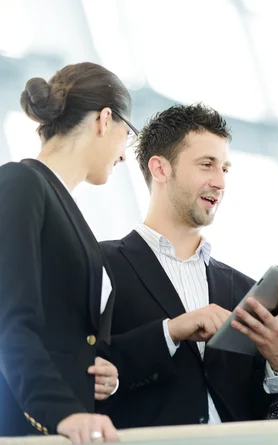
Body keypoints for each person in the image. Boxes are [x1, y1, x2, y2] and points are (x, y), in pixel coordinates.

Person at [99, 103, 278, 428]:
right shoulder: (101, 265)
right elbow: (80, 369)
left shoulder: (247, 291)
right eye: (206, 165)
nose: (220, 181)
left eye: (225, 169)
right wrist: (170, 333)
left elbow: (270, 413)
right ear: (160, 169)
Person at [0, 62, 136, 442]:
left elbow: (65, 333)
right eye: (129, 134)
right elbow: (8, 319)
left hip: (70, 425)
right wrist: (62, 413)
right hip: (34, 425)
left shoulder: (65, 207)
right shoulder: (21, 183)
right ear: (105, 120)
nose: (124, 155)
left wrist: (95, 369)